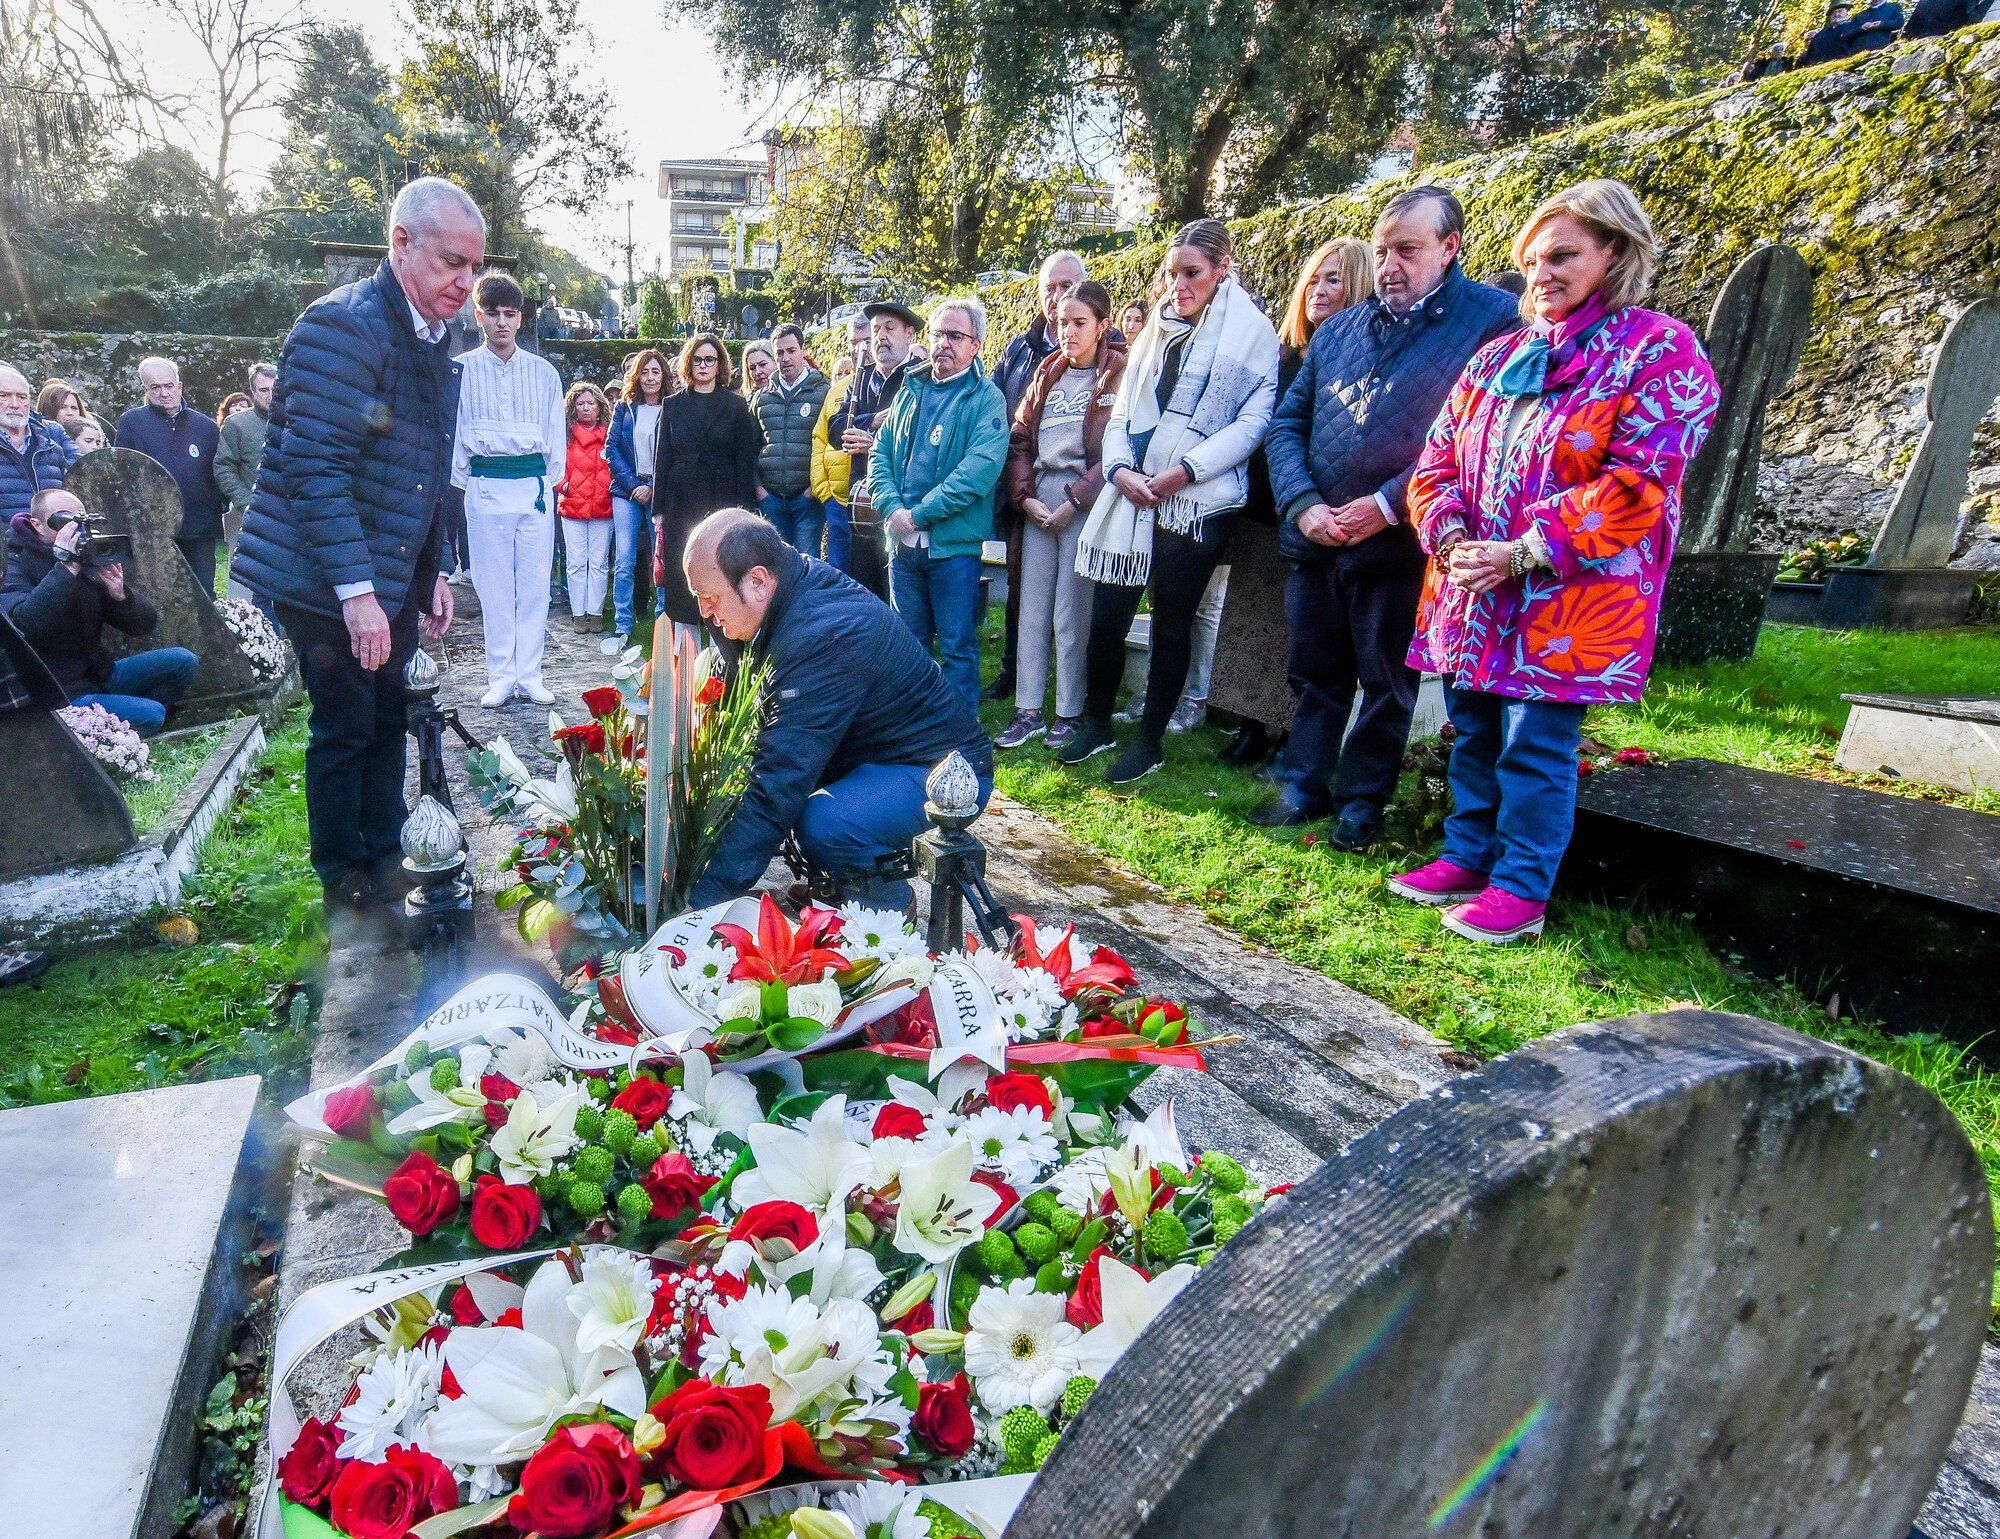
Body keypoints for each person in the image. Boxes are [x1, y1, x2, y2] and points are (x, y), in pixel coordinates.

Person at [1391, 179, 1719, 943]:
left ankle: (1522, 886)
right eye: (1534, 260)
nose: (1542, 274)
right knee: (1470, 725)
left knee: (1535, 739)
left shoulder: (1660, 350)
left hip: (1567, 589)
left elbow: (1642, 480)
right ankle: (1468, 854)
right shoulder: (1502, 355)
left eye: (1564, 256)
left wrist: (1524, 550)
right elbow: (1436, 460)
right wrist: (1450, 538)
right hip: (1473, 582)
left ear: (1617, 251)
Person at [232, 175, 476, 917]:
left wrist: (430, 570)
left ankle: (384, 842)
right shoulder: (343, 326)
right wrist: (358, 593)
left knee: (392, 710)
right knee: (343, 720)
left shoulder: (432, 335)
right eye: (451, 263)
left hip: (392, 571)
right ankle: (343, 868)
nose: (465, 283)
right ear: (401, 244)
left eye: (474, 266)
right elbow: (314, 469)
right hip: (325, 575)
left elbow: (428, 467)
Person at [1256, 188, 1520, 848]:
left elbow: (1470, 436)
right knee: (1316, 671)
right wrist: (1303, 503)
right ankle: (1303, 783)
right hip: (1318, 535)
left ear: (1450, 246)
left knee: (1384, 680)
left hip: (1400, 540)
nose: (1390, 265)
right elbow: (1288, 422)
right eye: (1381, 252)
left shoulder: (1491, 320)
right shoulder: (1342, 328)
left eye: (1407, 249)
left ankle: (1361, 802)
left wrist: (1382, 506)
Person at [1060, 219, 1280, 785]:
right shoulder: (1155, 331)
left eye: (1192, 273)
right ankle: (1098, 722)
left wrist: (1185, 471)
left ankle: (1150, 740)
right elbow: (1123, 412)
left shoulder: (1251, 333)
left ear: (1222, 268)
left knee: (1172, 623)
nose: (1179, 285)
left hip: (1199, 500)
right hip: (1133, 492)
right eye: (1172, 273)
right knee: (1108, 616)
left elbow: (1253, 421)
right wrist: (1118, 469)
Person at [682, 509, 992, 910]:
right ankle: (839, 887)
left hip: (940, 771)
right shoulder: (788, 591)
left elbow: (780, 780)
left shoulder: (822, 635)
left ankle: (885, 908)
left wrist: (703, 902)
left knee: (824, 825)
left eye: (710, 598)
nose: (705, 612)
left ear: (758, 581)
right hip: (878, 755)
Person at [1209, 237, 1375, 769]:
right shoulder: (1282, 355)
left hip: (1319, 513)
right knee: (1247, 622)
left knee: (1295, 632)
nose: (1319, 290)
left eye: (1335, 279)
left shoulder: (1361, 358)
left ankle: (1288, 732)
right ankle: (1248, 724)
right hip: (1262, 509)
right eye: (1314, 278)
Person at [996, 280, 1127, 752]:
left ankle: (1070, 711)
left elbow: (1118, 446)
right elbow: (1019, 439)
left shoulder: (1118, 376)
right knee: (1031, 608)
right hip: (1038, 500)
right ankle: (1027, 709)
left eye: (1079, 323)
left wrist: (1077, 500)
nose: (1067, 332)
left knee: (1073, 612)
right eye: (1061, 322)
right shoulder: (1046, 373)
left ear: (1102, 326)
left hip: (1083, 503)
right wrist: (1025, 497)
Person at [869, 297, 1011, 715]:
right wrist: (892, 508)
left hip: (953, 549)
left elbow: (976, 474)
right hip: (901, 547)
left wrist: (916, 515)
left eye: (955, 335)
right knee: (909, 650)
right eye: (938, 334)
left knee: (957, 650)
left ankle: (960, 739)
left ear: (976, 346)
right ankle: (916, 732)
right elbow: (880, 456)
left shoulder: (987, 399)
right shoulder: (910, 391)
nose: (943, 343)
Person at [453, 270, 566, 706]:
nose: (502, 322)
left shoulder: (543, 374)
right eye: (493, 313)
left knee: (535, 584)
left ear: (521, 319)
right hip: (484, 488)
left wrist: (541, 481)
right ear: (478, 317)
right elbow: (456, 437)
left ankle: (531, 673)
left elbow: (555, 441)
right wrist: (472, 482)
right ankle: (501, 673)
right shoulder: (460, 371)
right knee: (493, 585)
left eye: (510, 314)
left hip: (533, 490)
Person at [4, 487, 197, 735]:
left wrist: (120, 595)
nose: (75, 531)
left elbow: (144, 626)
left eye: (81, 522)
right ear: (37, 524)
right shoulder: (14, 562)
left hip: (100, 673)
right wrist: (66, 566)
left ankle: (118, 729)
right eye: (65, 522)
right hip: (61, 691)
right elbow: (27, 625)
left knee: (183, 661)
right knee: (152, 715)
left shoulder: (86, 554)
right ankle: (110, 730)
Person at [990, 250, 1088, 702]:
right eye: (1049, 287)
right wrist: (1018, 490)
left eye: (1066, 286)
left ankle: (1069, 693)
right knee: (1020, 589)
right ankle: (1017, 674)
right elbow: (1002, 415)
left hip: (1076, 491)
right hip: (1021, 485)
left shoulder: (1106, 356)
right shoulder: (1019, 348)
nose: (1057, 296)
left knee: (1070, 601)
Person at [651, 331, 762, 637]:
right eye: (697, 359)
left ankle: (724, 648)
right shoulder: (672, 405)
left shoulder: (736, 406)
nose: (703, 365)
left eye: (710, 359)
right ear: (689, 363)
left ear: (719, 364)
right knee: (681, 570)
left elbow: (744, 460)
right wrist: (658, 509)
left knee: (721, 568)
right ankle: (686, 654)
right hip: (681, 498)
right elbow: (663, 458)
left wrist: (746, 511)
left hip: (722, 498)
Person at [829, 300, 922, 598]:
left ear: (910, 335)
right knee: (865, 591)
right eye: (876, 328)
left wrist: (876, 444)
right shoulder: (863, 376)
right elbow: (836, 427)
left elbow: (922, 436)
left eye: (889, 328)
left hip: (901, 501)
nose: (880, 335)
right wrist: (870, 422)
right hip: (863, 503)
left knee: (900, 593)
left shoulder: (920, 377)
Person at [114, 356, 226, 596]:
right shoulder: (131, 423)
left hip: (199, 528)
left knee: (202, 594)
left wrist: (217, 504)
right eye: (155, 387)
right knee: (159, 595)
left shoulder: (205, 427)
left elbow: (220, 471)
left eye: (169, 385)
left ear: (180, 386)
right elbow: (122, 472)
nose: (164, 393)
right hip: (152, 530)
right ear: (145, 389)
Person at [606, 347, 672, 641]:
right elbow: (612, 450)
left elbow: (674, 453)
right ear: (636, 375)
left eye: (655, 371)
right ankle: (623, 624)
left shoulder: (672, 407)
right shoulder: (625, 408)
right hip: (626, 492)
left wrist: (654, 486)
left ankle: (661, 623)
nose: (649, 377)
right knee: (624, 559)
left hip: (659, 491)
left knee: (660, 559)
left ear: (664, 376)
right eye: (644, 371)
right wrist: (634, 486)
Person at [753, 322, 830, 556]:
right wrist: (759, 490)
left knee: (807, 566)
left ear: (803, 350)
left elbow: (830, 445)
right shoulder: (761, 397)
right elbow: (748, 447)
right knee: (774, 568)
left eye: (791, 351)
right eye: (779, 353)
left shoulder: (823, 391)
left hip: (807, 499)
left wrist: (813, 488)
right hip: (771, 499)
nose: (785, 358)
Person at [811, 314, 872, 575]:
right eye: (854, 342)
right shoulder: (838, 390)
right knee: (838, 573)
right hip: (836, 499)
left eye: (866, 341)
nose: (860, 349)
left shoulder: (895, 384)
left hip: (872, 500)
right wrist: (823, 490)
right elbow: (821, 438)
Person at [556, 382, 613, 632]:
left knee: (599, 563)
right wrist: (564, 485)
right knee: (576, 562)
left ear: (599, 406)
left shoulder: (610, 435)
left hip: (603, 506)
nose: (586, 408)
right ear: (573, 407)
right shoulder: (564, 435)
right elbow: (554, 464)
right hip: (573, 506)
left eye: (591, 403)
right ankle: (578, 613)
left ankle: (596, 612)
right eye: (581, 404)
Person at [214, 361, 276, 563]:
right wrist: (246, 502)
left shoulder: (299, 421)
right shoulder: (236, 425)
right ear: (252, 390)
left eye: (276, 389)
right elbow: (223, 468)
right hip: (248, 518)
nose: (271, 395)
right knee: (246, 584)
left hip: (291, 516)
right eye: (264, 390)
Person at [0, 362, 78, 523]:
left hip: (49, 545)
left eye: (22, 397)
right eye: (3, 396)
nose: (15, 404)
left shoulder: (51, 448)